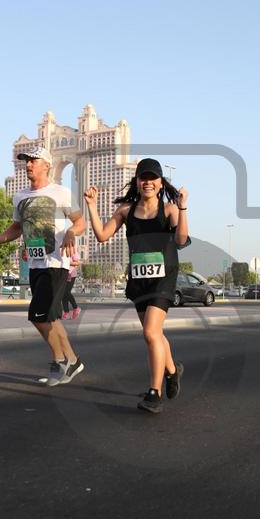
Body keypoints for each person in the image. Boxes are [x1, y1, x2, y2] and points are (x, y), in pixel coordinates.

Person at [84, 158, 189, 413]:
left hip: (164, 278)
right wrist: (92, 206)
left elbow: (181, 240)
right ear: (137, 182)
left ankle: (155, 393)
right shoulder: (126, 211)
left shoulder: (170, 210)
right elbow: (102, 235)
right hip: (139, 279)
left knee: (150, 333)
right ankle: (172, 370)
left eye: (153, 178)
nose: (148, 182)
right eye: (144, 178)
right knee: (155, 334)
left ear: (161, 183)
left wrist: (183, 208)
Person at [0, 146, 86, 385]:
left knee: (38, 316)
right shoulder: (20, 197)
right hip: (35, 264)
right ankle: (73, 361)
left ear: (46, 165)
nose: (28, 164)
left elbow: (80, 222)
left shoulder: (61, 193)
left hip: (57, 263)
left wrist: (71, 232)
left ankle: (60, 361)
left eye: (33, 160)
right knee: (51, 317)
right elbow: (17, 227)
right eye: (26, 160)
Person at [62, 251, 81, 320]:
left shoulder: (72, 250)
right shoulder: (58, 249)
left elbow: (78, 262)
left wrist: (66, 263)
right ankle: (66, 312)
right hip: (62, 274)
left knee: (66, 292)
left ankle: (75, 308)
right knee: (63, 294)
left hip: (70, 274)